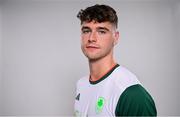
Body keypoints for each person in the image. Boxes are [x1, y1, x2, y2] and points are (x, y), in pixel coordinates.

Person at [74, 4, 157, 116]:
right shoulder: (81, 84)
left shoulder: (131, 94)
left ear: (116, 37)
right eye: (86, 31)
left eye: (101, 31)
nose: (91, 38)